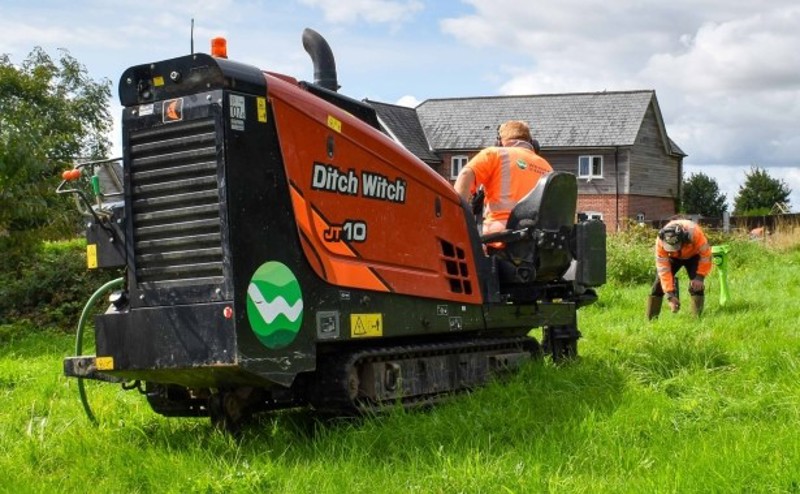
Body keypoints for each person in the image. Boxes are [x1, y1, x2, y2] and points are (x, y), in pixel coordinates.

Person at [454, 120, 553, 235]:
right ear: (532, 144)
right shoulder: (547, 167)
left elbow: (466, 174)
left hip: (501, 237)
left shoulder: (494, 154)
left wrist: (456, 216)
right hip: (537, 240)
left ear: (499, 142)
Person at [647, 218, 713, 319]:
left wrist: (700, 277)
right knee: (658, 285)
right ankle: (651, 321)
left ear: (683, 238)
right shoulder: (660, 241)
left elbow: (706, 256)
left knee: (697, 286)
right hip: (672, 257)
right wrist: (670, 296)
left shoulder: (694, 233)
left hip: (693, 256)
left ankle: (697, 319)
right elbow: (663, 270)